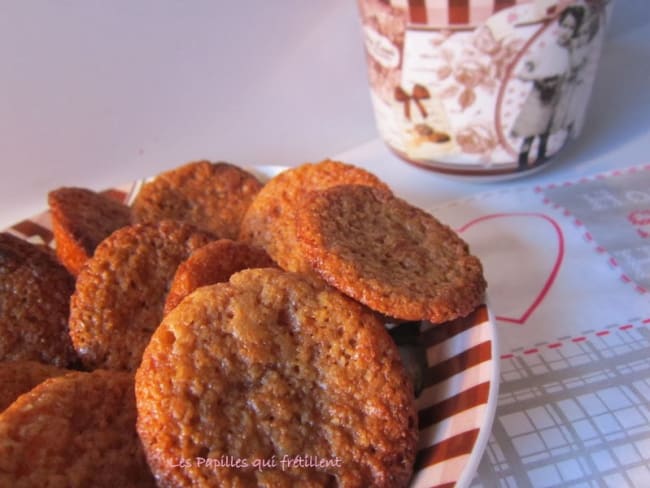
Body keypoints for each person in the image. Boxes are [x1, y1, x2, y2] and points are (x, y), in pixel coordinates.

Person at [510, 6, 585, 170]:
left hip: (556, 98)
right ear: (558, 26)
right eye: (564, 26)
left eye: (571, 28)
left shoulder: (569, 53)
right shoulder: (548, 50)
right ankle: (522, 160)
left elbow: (571, 73)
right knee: (531, 130)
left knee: (546, 131)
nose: (566, 31)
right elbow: (526, 70)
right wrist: (537, 76)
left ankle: (541, 156)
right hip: (539, 97)